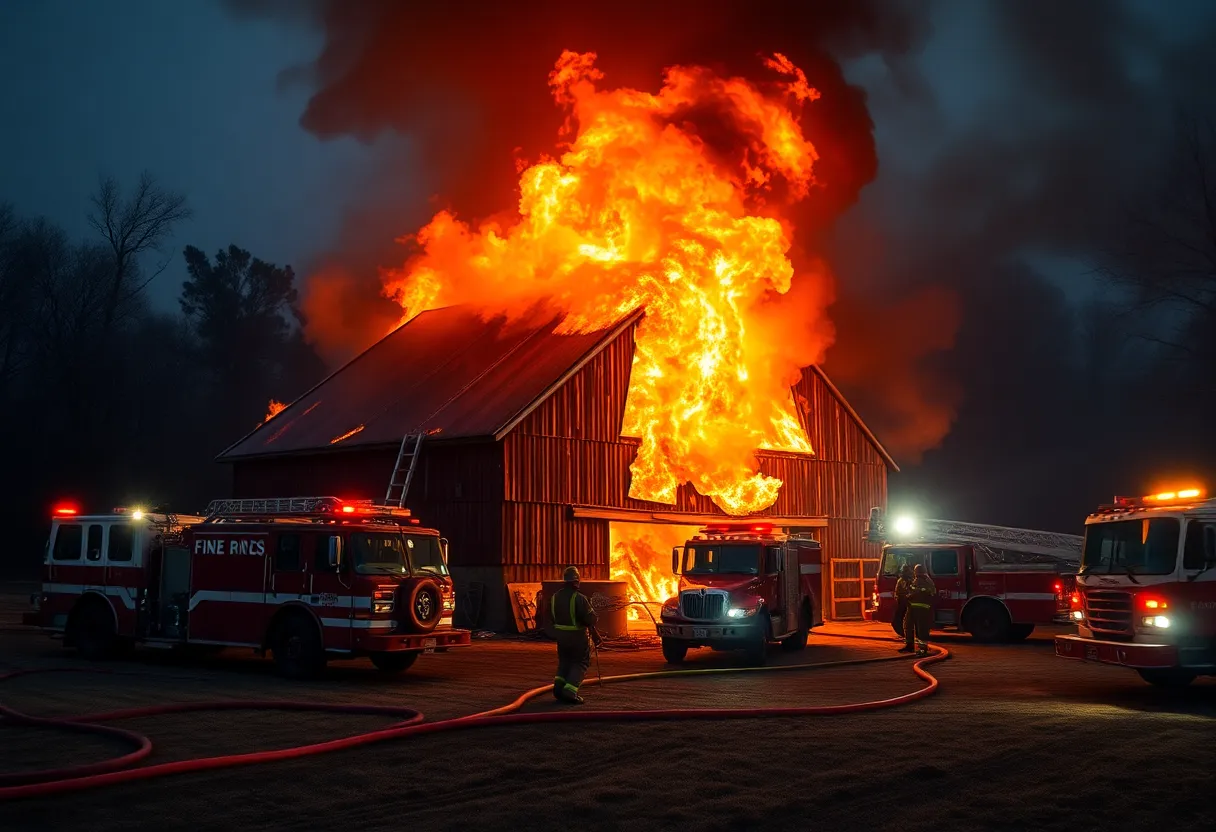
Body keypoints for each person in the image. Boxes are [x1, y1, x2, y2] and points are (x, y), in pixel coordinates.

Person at [549, 565, 600, 704]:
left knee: (564, 662)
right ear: (576, 581)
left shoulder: (554, 597)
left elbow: (552, 618)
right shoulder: (580, 598)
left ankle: (558, 688)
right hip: (577, 637)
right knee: (580, 662)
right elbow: (590, 619)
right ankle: (570, 691)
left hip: (561, 637)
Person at [908, 564, 936, 656]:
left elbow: (912, 592)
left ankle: (922, 649)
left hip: (917, 608)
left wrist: (908, 595)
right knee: (923, 629)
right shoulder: (928, 580)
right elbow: (933, 593)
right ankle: (922, 648)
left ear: (916, 571)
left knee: (919, 630)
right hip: (925, 608)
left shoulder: (917, 581)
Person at [895, 563, 916, 653]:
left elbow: (911, 592)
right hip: (904, 603)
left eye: (905, 570)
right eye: (903, 570)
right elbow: (898, 591)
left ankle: (912, 646)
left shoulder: (913, 580)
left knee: (910, 625)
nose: (903, 571)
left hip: (911, 604)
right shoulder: (901, 580)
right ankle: (909, 644)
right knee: (905, 624)